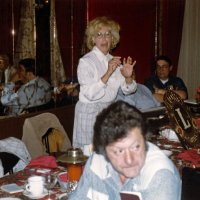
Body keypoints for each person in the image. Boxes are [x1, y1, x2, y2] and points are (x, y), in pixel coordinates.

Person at [69, 101, 181, 200]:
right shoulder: (97, 162)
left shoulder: (159, 174)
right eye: (119, 151)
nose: (129, 160)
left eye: (135, 147)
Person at [73, 16, 137, 150]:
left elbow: (128, 90)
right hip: (89, 113)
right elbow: (90, 94)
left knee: (107, 155)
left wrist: (128, 77)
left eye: (107, 34)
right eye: (99, 35)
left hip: (108, 112)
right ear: (93, 39)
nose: (104, 39)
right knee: (90, 156)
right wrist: (108, 73)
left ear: (112, 39)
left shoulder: (114, 60)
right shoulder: (86, 61)